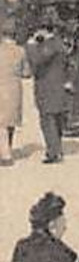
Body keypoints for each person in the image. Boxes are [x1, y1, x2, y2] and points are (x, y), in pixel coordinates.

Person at [25, 19, 70, 162]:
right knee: (56, 120)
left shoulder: (48, 46)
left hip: (47, 88)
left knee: (48, 120)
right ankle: (57, 149)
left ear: (43, 30)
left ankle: (53, 152)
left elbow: (37, 62)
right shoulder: (59, 43)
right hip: (59, 86)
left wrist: (31, 46)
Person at [0, 19, 25, 165]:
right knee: (10, 121)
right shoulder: (21, 51)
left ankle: (5, 155)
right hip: (14, 88)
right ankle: (7, 148)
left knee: (1, 122)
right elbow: (26, 72)